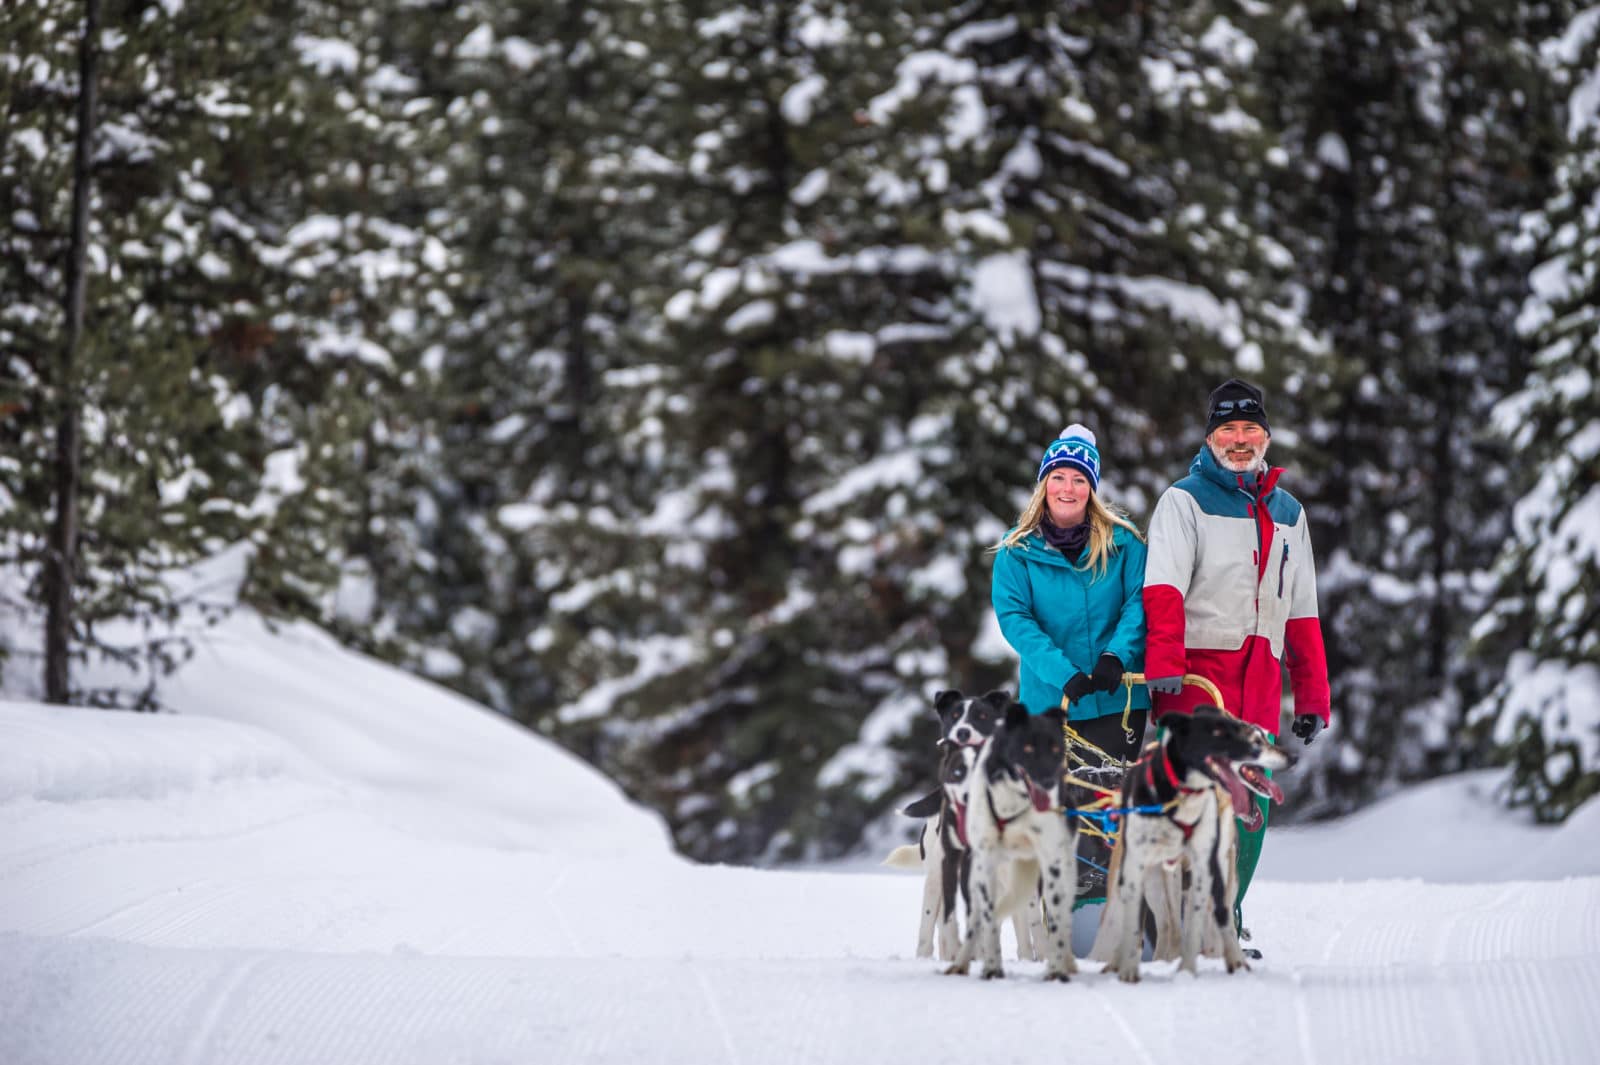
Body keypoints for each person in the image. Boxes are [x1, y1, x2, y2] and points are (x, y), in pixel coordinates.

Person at [1142, 378, 1331, 952]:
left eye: (1251, 429)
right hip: (1196, 682)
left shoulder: (1290, 513)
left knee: (1247, 808)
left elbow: (1302, 612)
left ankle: (1226, 918)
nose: (1241, 439)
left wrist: (1313, 694)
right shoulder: (1185, 501)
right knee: (1187, 804)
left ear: (1266, 436)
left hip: (1258, 685)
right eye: (1229, 429)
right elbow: (1164, 589)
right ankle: (1174, 925)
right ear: (1211, 437)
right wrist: (1165, 663)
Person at [990, 424, 1149, 913]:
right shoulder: (1016, 552)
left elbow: (1139, 604)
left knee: (1115, 802)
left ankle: (1122, 901)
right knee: (1060, 806)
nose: (1068, 488)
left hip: (1117, 696)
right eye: (1059, 477)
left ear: (1092, 488)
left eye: (1079, 480)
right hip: (1051, 702)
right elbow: (1016, 620)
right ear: (1044, 483)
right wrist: (1064, 672)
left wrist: (1112, 658)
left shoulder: (1124, 544)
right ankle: (1058, 908)